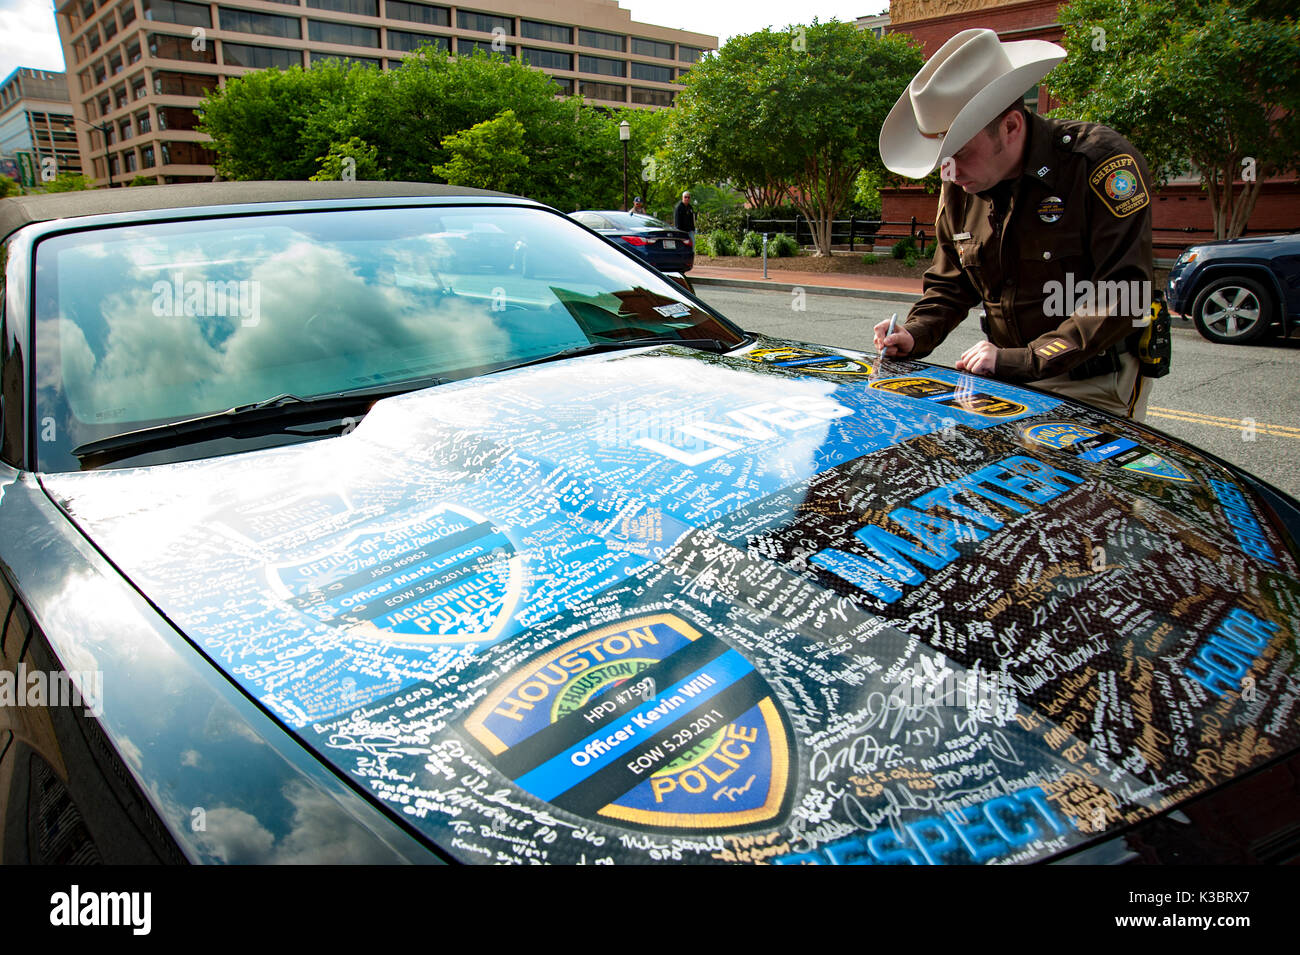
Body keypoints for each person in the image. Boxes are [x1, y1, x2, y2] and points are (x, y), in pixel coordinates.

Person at [873, 29, 1155, 420]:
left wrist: (1023, 360)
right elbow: (951, 284)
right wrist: (915, 333)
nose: (951, 171)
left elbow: (1124, 295)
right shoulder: (960, 180)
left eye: (961, 153)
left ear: (1010, 126)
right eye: (942, 159)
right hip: (1003, 375)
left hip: (1091, 380)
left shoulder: (1097, 165)